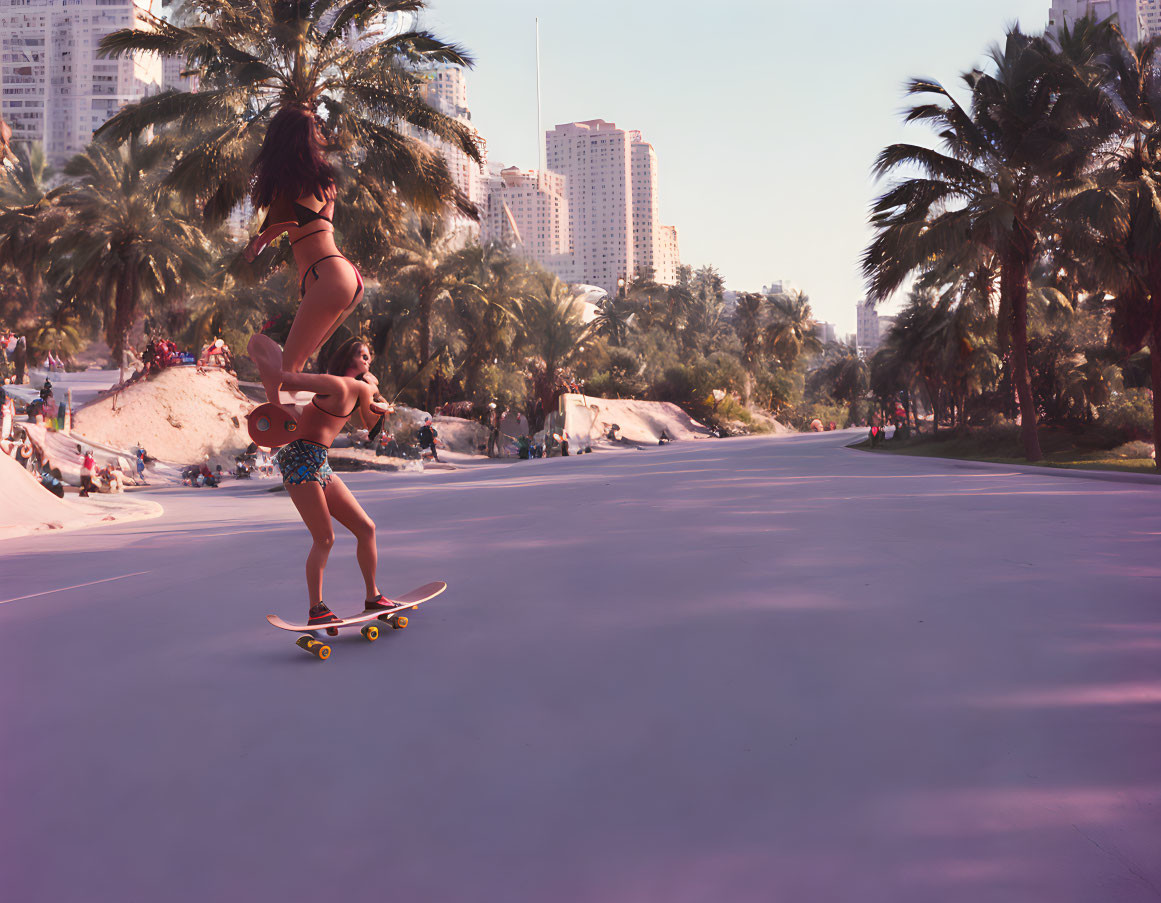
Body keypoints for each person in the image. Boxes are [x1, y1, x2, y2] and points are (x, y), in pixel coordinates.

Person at [251, 334, 395, 628]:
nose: (369, 362)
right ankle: (316, 608)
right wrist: (270, 364)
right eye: (364, 357)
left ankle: (373, 596)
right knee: (324, 538)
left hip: (319, 462)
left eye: (370, 358)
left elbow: (368, 427)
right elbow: (288, 381)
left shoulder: (356, 390)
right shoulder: (339, 384)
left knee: (366, 528)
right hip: (299, 460)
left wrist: (379, 405)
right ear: (349, 359)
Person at [244, 107, 363, 408]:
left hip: (329, 276)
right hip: (335, 276)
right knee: (289, 374)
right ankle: (290, 426)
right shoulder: (316, 180)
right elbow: (295, 216)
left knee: (283, 370)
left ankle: (357, 391)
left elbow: (291, 218)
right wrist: (261, 239)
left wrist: (259, 242)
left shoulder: (305, 182)